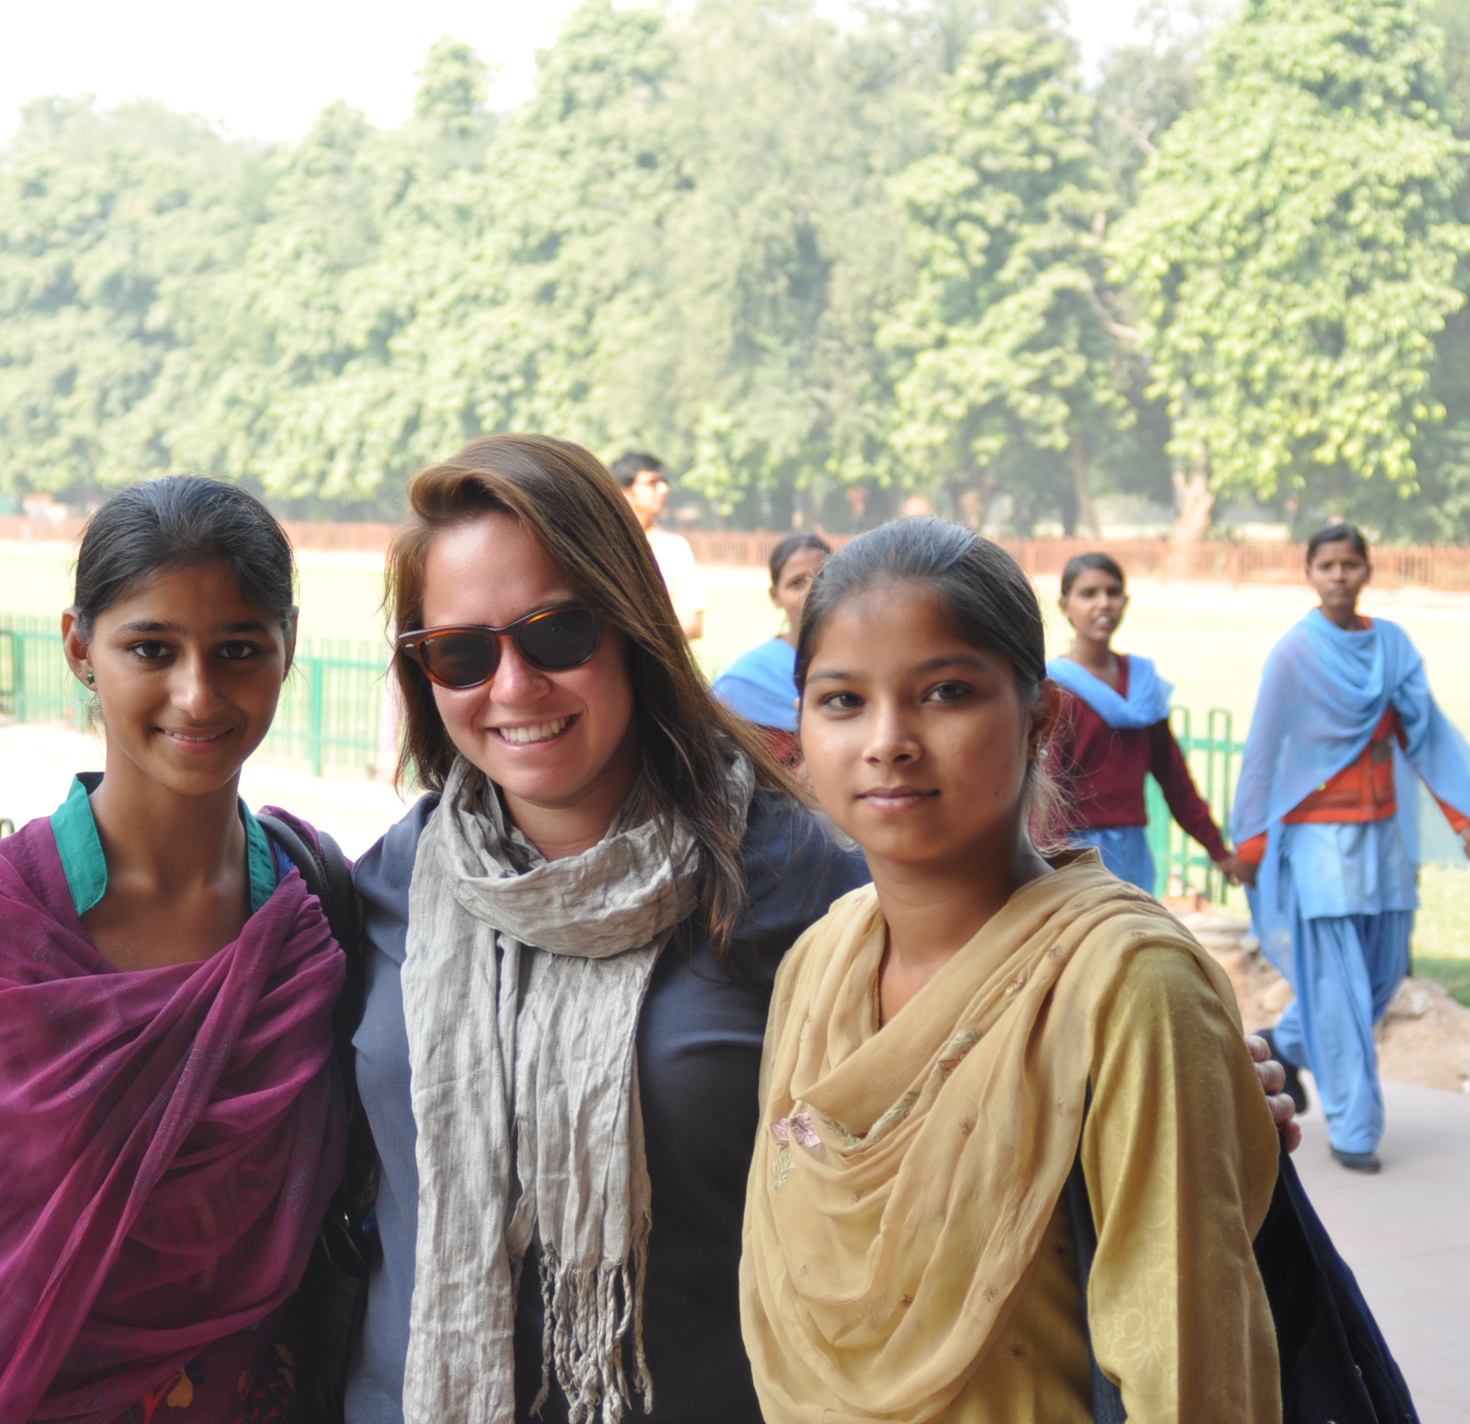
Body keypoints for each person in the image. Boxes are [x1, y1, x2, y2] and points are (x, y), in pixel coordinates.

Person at [343, 435, 1297, 1424]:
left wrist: (1190, 1079)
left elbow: (1009, 1020)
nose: (511, 685)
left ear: (631, 623)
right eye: (459, 652)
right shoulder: (386, 890)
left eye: (556, 634)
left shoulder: (807, 880)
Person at [0, 476, 349, 1424]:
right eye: (151, 648)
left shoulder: (314, 918)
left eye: (238, 649)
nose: (197, 694)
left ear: (288, 646)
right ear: (79, 648)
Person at [739, 517, 1280, 1421]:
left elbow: (1187, 1372)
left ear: (1040, 718)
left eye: (945, 692)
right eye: (842, 700)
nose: (888, 740)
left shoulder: (1127, 986)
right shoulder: (818, 964)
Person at [1234, 523, 1470, 1173]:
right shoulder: (1293, 654)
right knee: (1338, 989)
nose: (1339, 575)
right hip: (1317, 839)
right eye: (1326, 565)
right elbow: (1263, 747)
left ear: (1367, 570)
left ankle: (1287, 1041)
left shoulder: (1391, 646)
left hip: (1384, 834)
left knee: (1384, 972)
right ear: (1309, 573)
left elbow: (1427, 737)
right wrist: (1251, 842)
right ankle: (1354, 1127)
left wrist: (1460, 818)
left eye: (1350, 564)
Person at [1048, 551, 1245, 893]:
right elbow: (1044, 787)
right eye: (1088, 593)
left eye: (1113, 592)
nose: (1103, 603)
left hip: (1132, 852)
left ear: (1126, 601)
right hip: (1072, 855)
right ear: (1065, 605)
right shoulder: (1054, 688)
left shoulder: (1141, 682)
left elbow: (1174, 777)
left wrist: (1216, 849)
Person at [711, 532, 830, 766]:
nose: (812, 591)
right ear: (775, 596)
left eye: (823, 577)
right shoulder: (743, 682)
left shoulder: (869, 664)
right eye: (797, 583)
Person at [614, 451, 707, 641]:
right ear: (625, 491)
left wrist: (640, 642)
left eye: (663, 481)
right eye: (652, 482)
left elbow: (691, 624)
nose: (664, 489)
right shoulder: (602, 542)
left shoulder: (674, 547)